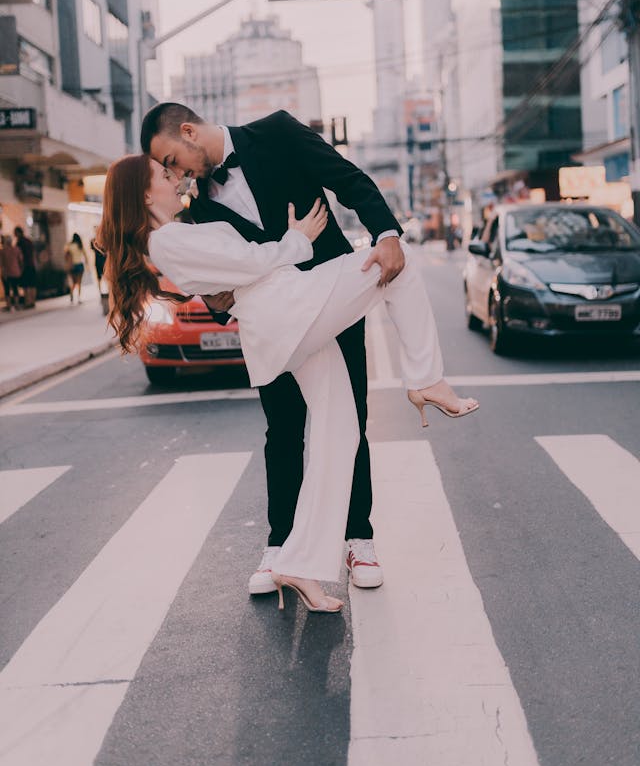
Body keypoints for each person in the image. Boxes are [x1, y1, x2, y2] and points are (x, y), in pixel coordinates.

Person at [97, 154, 478, 614]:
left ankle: (300, 563)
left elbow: (237, 271)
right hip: (291, 307)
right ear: (142, 194)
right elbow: (251, 261)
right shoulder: (169, 239)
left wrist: (274, 253)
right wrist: (298, 239)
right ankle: (426, 380)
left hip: (284, 320)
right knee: (393, 261)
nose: (175, 178)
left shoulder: (174, 236)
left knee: (340, 432)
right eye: (163, 175)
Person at [141, 103, 406, 595]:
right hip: (272, 325)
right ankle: (280, 545)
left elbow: (347, 179)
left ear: (188, 131)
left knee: (352, 418)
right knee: (282, 428)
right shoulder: (195, 204)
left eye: (172, 159)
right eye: (167, 170)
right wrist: (218, 304)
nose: (175, 174)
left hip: (330, 300)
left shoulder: (278, 132)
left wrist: (386, 233)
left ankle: (358, 537)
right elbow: (219, 271)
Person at [14, 226, 36, 308]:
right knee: (32, 285)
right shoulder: (29, 241)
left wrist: (20, 267)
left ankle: (27, 302)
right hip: (32, 265)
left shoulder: (20, 242)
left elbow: (19, 256)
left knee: (26, 285)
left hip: (25, 266)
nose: (14, 235)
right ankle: (32, 301)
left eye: (15, 233)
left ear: (18, 233)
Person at [0, 234, 23, 311]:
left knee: (7, 290)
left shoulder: (3, 251)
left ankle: (9, 305)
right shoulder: (16, 249)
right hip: (16, 272)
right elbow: (21, 260)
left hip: (6, 273)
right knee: (15, 288)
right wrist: (20, 269)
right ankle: (16, 305)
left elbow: (1, 263)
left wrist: (3, 272)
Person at [64, 232, 88, 304]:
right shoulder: (80, 245)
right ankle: (79, 298)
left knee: (74, 282)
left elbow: (65, 255)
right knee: (79, 282)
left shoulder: (69, 245)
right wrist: (87, 264)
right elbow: (85, 255)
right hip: (80, 265)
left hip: (72, 266)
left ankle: (71, 295)